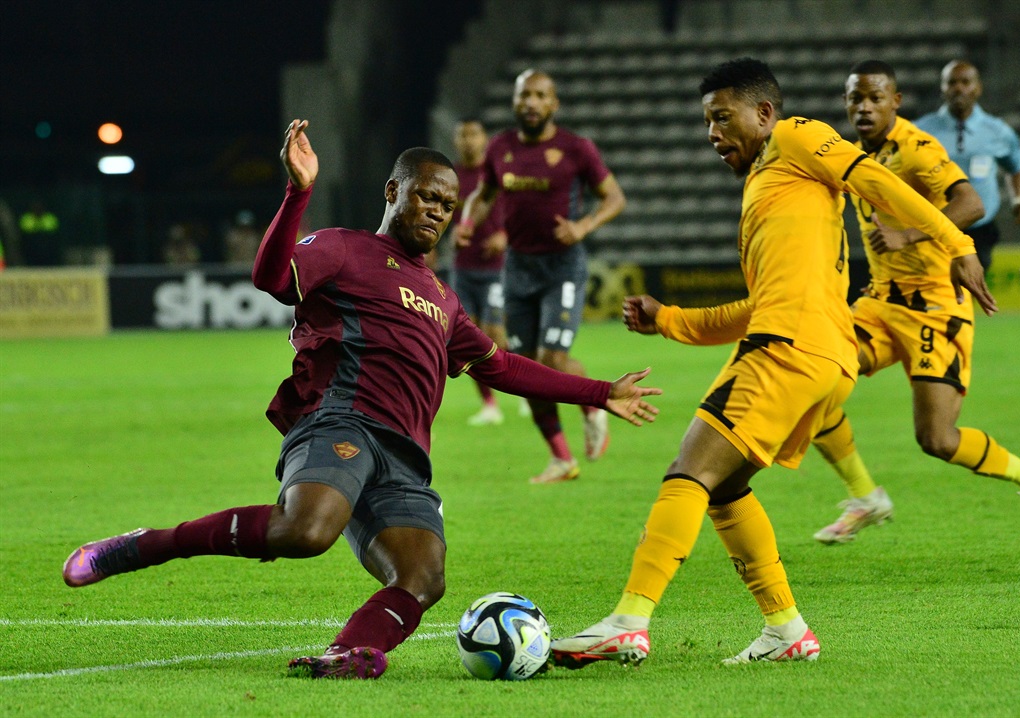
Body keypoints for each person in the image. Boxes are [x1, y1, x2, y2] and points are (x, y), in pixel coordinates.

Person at [61, 120, 662, 681]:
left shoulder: (442, 298)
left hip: (406, 458)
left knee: (423, 578)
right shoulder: (343, 248)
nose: (438, 212)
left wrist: (602, 392)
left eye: (448, 205)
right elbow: (271, 279)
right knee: (307, 532)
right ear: (393, 191)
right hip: (339, 421)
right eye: (427, 196)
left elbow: (500, 366)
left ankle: (352, 651)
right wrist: (298, 194)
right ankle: (145, 545)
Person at [548, 58, 995, 669]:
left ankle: (629, 621)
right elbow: (760, 306)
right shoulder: (772, 185)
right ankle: (786, 629)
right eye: (706, 121)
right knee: (726, 484)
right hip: (818, 350)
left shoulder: (795, 136)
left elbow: (878, 184)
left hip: (792, 349)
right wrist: (670, 320)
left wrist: (958, 242)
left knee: (690, 470)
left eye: (722, 117)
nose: (712, 133)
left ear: (763, 113)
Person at [811, 61, 1020, 544]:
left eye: (874, 98)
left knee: (938, 440)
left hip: (935, 308)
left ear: (896, 102)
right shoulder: (849, 153)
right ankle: (865, 496)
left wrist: (907, 234)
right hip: (880, 303)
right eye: (855, 98)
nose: (863, 107)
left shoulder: (917, 147)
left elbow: (972, 204)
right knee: (814, 375)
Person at [458, 69, 627, 484]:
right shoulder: (500, 147)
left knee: (551, 359)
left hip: (562, 267)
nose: (530, 103)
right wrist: (466, 221)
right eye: (523, 95)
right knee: (523, 370)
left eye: (539, 95)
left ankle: (592, 408)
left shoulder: (575, 148)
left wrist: (582, 228)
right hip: (517, 269)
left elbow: (615, 197)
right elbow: (484, 195)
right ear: (515, 102)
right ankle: (562, 459)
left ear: (554, 104)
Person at [915, 60, 1020, 272]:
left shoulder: (997, 131)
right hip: (937, 225)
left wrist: (1019, 198)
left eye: (965, 82)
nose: (958, 88)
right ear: (942, 89)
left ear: (978, 88)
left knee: (967, 287)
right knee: (940, 288)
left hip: (981, 228)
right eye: (952, 82)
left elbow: (1017, 166)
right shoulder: (919, 131)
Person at [451, 119, 509, 426]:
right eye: (462, 135)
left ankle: (527, 388)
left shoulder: (498, 173)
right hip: (463, 268)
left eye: (473, 134)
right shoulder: (452, 177)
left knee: (495, 334)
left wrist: (505, 236)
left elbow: (524, 210)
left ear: (484, 137)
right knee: (467, 337)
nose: (468, 140)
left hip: (497, 269)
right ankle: (490, 405)